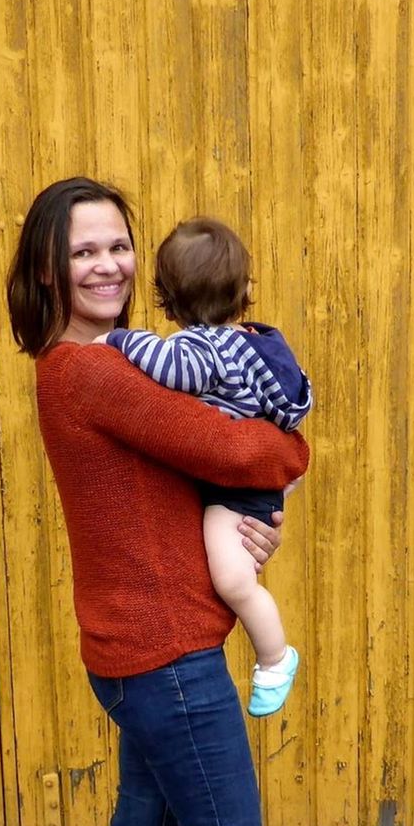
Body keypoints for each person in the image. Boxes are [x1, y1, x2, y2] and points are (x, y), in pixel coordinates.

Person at [6, 177, 310, 826]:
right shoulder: (95, 371)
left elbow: (175, 483)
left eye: (117, 246)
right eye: (83, 251)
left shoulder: (117, 362)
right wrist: (289, 457)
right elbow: (244, 452)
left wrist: (239, 527)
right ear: (50, 271)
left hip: (143, 645)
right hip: (162, 653)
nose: (107, 265)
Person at [100, 216, 311, 717]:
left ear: (168, 300)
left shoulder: (203, 348)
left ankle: (275, 657)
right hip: (250, 491)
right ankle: (272, 655)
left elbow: (173, 368)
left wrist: (118, 341)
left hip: (232, 495)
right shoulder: (257, 343)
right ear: (245, 288)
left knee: (235, 581)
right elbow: (295, 405)